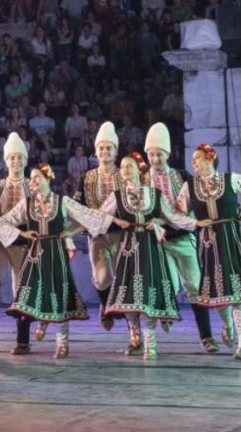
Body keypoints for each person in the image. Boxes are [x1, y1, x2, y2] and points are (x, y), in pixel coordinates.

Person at [0, 163, 108, 358]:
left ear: (48, 178)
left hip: (56, 254)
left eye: (37, 177)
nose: (33, 181)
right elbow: (6, 220)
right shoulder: (27, 203)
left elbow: (88, 217)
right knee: (32, 293)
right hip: (35, 255)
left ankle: (62, 343)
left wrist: (72, 231)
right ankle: (40, 322)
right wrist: (16, 232)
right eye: (31, 178)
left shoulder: (62, 201)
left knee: (60, 293)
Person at [169, 143, 241, 360]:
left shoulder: (230, 179)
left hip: (232, 239)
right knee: (216, 294)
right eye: (192, 159)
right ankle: (227, 324)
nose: (193, 162)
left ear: (210, 158)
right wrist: (194, 223)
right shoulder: (189, 187)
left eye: (197, 158)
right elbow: (177, 213)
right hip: (208, 244)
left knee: (238, 294)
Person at [93, 154, 183, 359]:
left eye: (129, 166)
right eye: (123, 167)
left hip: (150, 248)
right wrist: (117, 221)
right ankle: (135, 338)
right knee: (129, 294)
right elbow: (100, 215)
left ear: (139, 169)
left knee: (148, 294)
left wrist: (159, 222)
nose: (125, 170)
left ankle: (150, 345)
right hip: (128, 248)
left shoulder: (154, 194)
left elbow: (172, 216)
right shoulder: (117, 196)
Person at [144, 122, 217, 353]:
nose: (155, 159)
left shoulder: (182, 176)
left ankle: (206, 337)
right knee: (169, 284)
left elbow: (196, 203)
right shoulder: (143, 180)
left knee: (194, 286)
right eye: (151, 154)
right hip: (159, 242)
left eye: (159, 154)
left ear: (167, 154)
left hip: (184, 238)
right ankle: (165, 315)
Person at [0, 133, 33, 354]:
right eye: (12, 158)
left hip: (23, 243)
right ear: (6, 161)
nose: (16, 161)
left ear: (26, 161)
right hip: (1, 242)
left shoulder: (33, 186)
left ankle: (23, 341)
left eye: (19, 157)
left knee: (21, 290)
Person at [76, 121, 122, 331]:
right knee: (102, 278)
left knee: (123, 276)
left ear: (116, 151)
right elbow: (77, 205)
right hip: (96, 235)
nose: (105, 151)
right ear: (96, 151)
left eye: (109, 148)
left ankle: (132, 325)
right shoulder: (87, 177)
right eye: (101, 148)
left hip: (120, 234)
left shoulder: (124, 174)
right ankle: (105, 305)